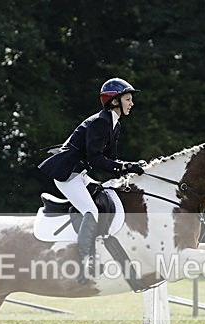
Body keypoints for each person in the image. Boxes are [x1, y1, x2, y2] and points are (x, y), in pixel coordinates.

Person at [38, 77, 146, 283]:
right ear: (115, 101)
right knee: (91, 210)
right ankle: (85, 262)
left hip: (80, 174)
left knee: (106, 196)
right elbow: (96, 158)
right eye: (128, 99)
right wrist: (124, 166)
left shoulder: (114, 124)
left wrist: (131, 166)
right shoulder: (100, 122)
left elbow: (112, 160)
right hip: (68, 174)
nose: (132, 104)